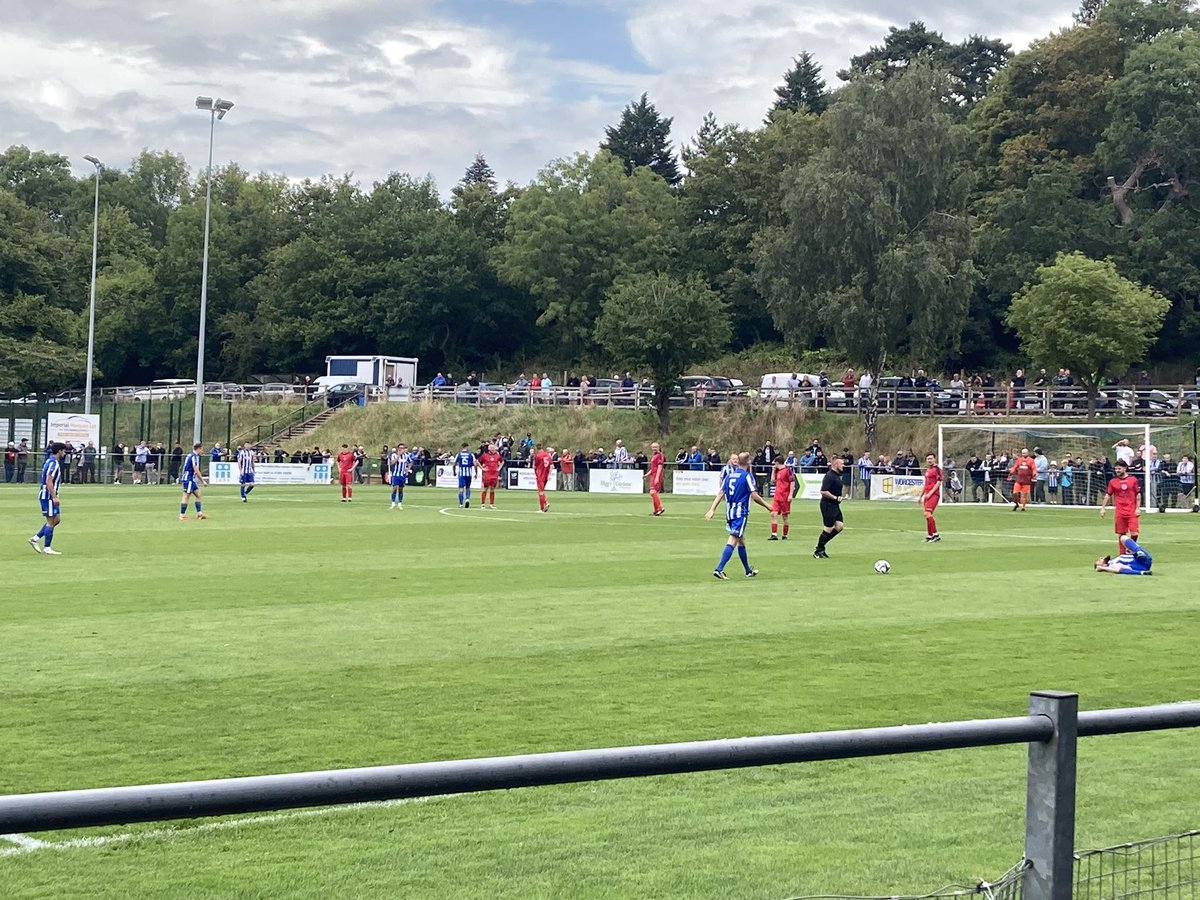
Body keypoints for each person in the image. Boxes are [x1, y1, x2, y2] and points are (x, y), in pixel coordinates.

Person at [705, 451, 769, 579]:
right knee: (733, 540)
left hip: (729, 512)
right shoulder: (747, 476)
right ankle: (719, 569)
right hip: (740, 513)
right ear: (749, 462)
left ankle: (748, 571)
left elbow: (720, 493)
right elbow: (754, 496)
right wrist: (768, 506)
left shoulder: (729, 476)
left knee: (741, 541)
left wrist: (712, 509)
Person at [29, 442, 66, 555]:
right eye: (64, 451)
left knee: (57, 519)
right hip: (48, 496)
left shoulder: (51, 461)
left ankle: (35, 538)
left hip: (50, 495)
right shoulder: (53, 463)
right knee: (50, 521)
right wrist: (54, 497)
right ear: (59, 451)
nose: (64, 453)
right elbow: (48, 481)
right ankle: (47, 548)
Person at [1099, 459, 1141, 555]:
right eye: (1116, 469)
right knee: (1121, 534)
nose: (1117, 471)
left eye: (1119, 469)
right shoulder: (1113, 481)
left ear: (1125, 468)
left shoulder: (1132, 480)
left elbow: (1137, 495)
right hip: (1120, 512)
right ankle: (1122, 555)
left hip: (1131, 511)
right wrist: (1103, 508)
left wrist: (1138, 508)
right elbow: (1108, 495)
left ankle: (1130, 549)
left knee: (1135, 533)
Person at [814, 456, 847, 559]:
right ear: (836, 464)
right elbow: (823, 491)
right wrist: (835, 497)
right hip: (827, 505)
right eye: (841, 464)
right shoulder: (829, 476)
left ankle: (821, 547)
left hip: (835, 505)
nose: (843, 465)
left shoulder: (837, 475)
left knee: (839, 527)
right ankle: (818, 550)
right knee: (828, 528)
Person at [179, 442, 208, 521]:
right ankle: (182, 515)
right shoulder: (193, 457)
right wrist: (203, 481)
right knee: (186, 496)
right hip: (188, 479)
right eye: (202, 449)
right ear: (198, 449)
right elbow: (196, 469)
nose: (202, 451)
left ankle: (199, 514)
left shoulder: (191, 455)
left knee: (198, 495)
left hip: (191, 479)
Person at [769, 457, 793, 541]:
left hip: (785, 496)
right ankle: (774, 534)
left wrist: (790, 494)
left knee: (785, 516)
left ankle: (785, 535)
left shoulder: (787, 470)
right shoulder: (777, 471)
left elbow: (792, 482)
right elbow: (772, 480)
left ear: (777, 463)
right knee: (773, 514)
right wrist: (773, 471)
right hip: (777, 496)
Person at [922, 453, 942, 542]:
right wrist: (921, 495)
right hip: (927, 494)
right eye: (928, 459)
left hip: (934, 495)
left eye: (931, 458)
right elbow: (926, 484)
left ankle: (936, 534)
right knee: (927, 515)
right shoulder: (928, 470)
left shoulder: (937, 469)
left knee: (927, 514)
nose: (929, 460)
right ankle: (930, 535)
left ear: (935, 459)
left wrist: (930, 493)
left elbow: (938, 482)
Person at [477, 442, 503, 509]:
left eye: (493, 447)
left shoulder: (497, 455)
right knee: (485, 489)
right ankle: (483, 504)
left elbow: (502, 461)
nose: (492, 448)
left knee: (492, 489)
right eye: (491, 447)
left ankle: (492, 504)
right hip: (487, 474)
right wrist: (482, 468)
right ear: (488, 448)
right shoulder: (485, 455)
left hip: (494, 474)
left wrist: (499, 468)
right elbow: (477, 462)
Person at [645, 441, 665, 516]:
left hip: (657, 475)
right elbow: (653, 468)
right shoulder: (654, 455)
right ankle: (656, 510)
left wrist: (657, 477)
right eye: (653, 447)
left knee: (653, 492)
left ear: (658, 447)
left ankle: (660, 508)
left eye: (655, 447)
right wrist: (646, 475)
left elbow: (660, 467)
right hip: (653, 475)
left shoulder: (659, 455)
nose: (654, 449)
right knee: (653, 493)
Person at [533, 442, 553, 512]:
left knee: (540, 492)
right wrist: (549, 475)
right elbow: (551, 465)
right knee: (541, 491)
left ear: (536, 448)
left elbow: (535, 466)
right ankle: (546, 503)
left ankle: (542, 508)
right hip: (546, 475)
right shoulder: (547, 455)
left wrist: (535, 473)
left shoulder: (538, 456)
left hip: (540, 475)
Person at [454, 443, 476, 508]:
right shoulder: (471, 454)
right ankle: (467, 499)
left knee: (461, 489)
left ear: (462, 447)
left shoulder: (458, 454)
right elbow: (475, 464)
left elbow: (454, 464)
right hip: (468, 473)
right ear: (467, 447)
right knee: (468, 487)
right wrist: (476, 473)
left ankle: (461, 504)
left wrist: (454, 471)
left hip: (461, 473)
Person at [388, 442, 410, 509]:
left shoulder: (406, 456)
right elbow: (392, 463)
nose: (401, 449)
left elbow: (410, 462)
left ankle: (400, 503)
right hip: (396, 474)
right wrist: (398, 456)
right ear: (398, 449)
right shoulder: (394, 455)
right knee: (394, 488)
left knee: (401, 489)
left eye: (402, 448)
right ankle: (393, 503)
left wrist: (408, 468)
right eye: (400, 448)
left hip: (402, 475)